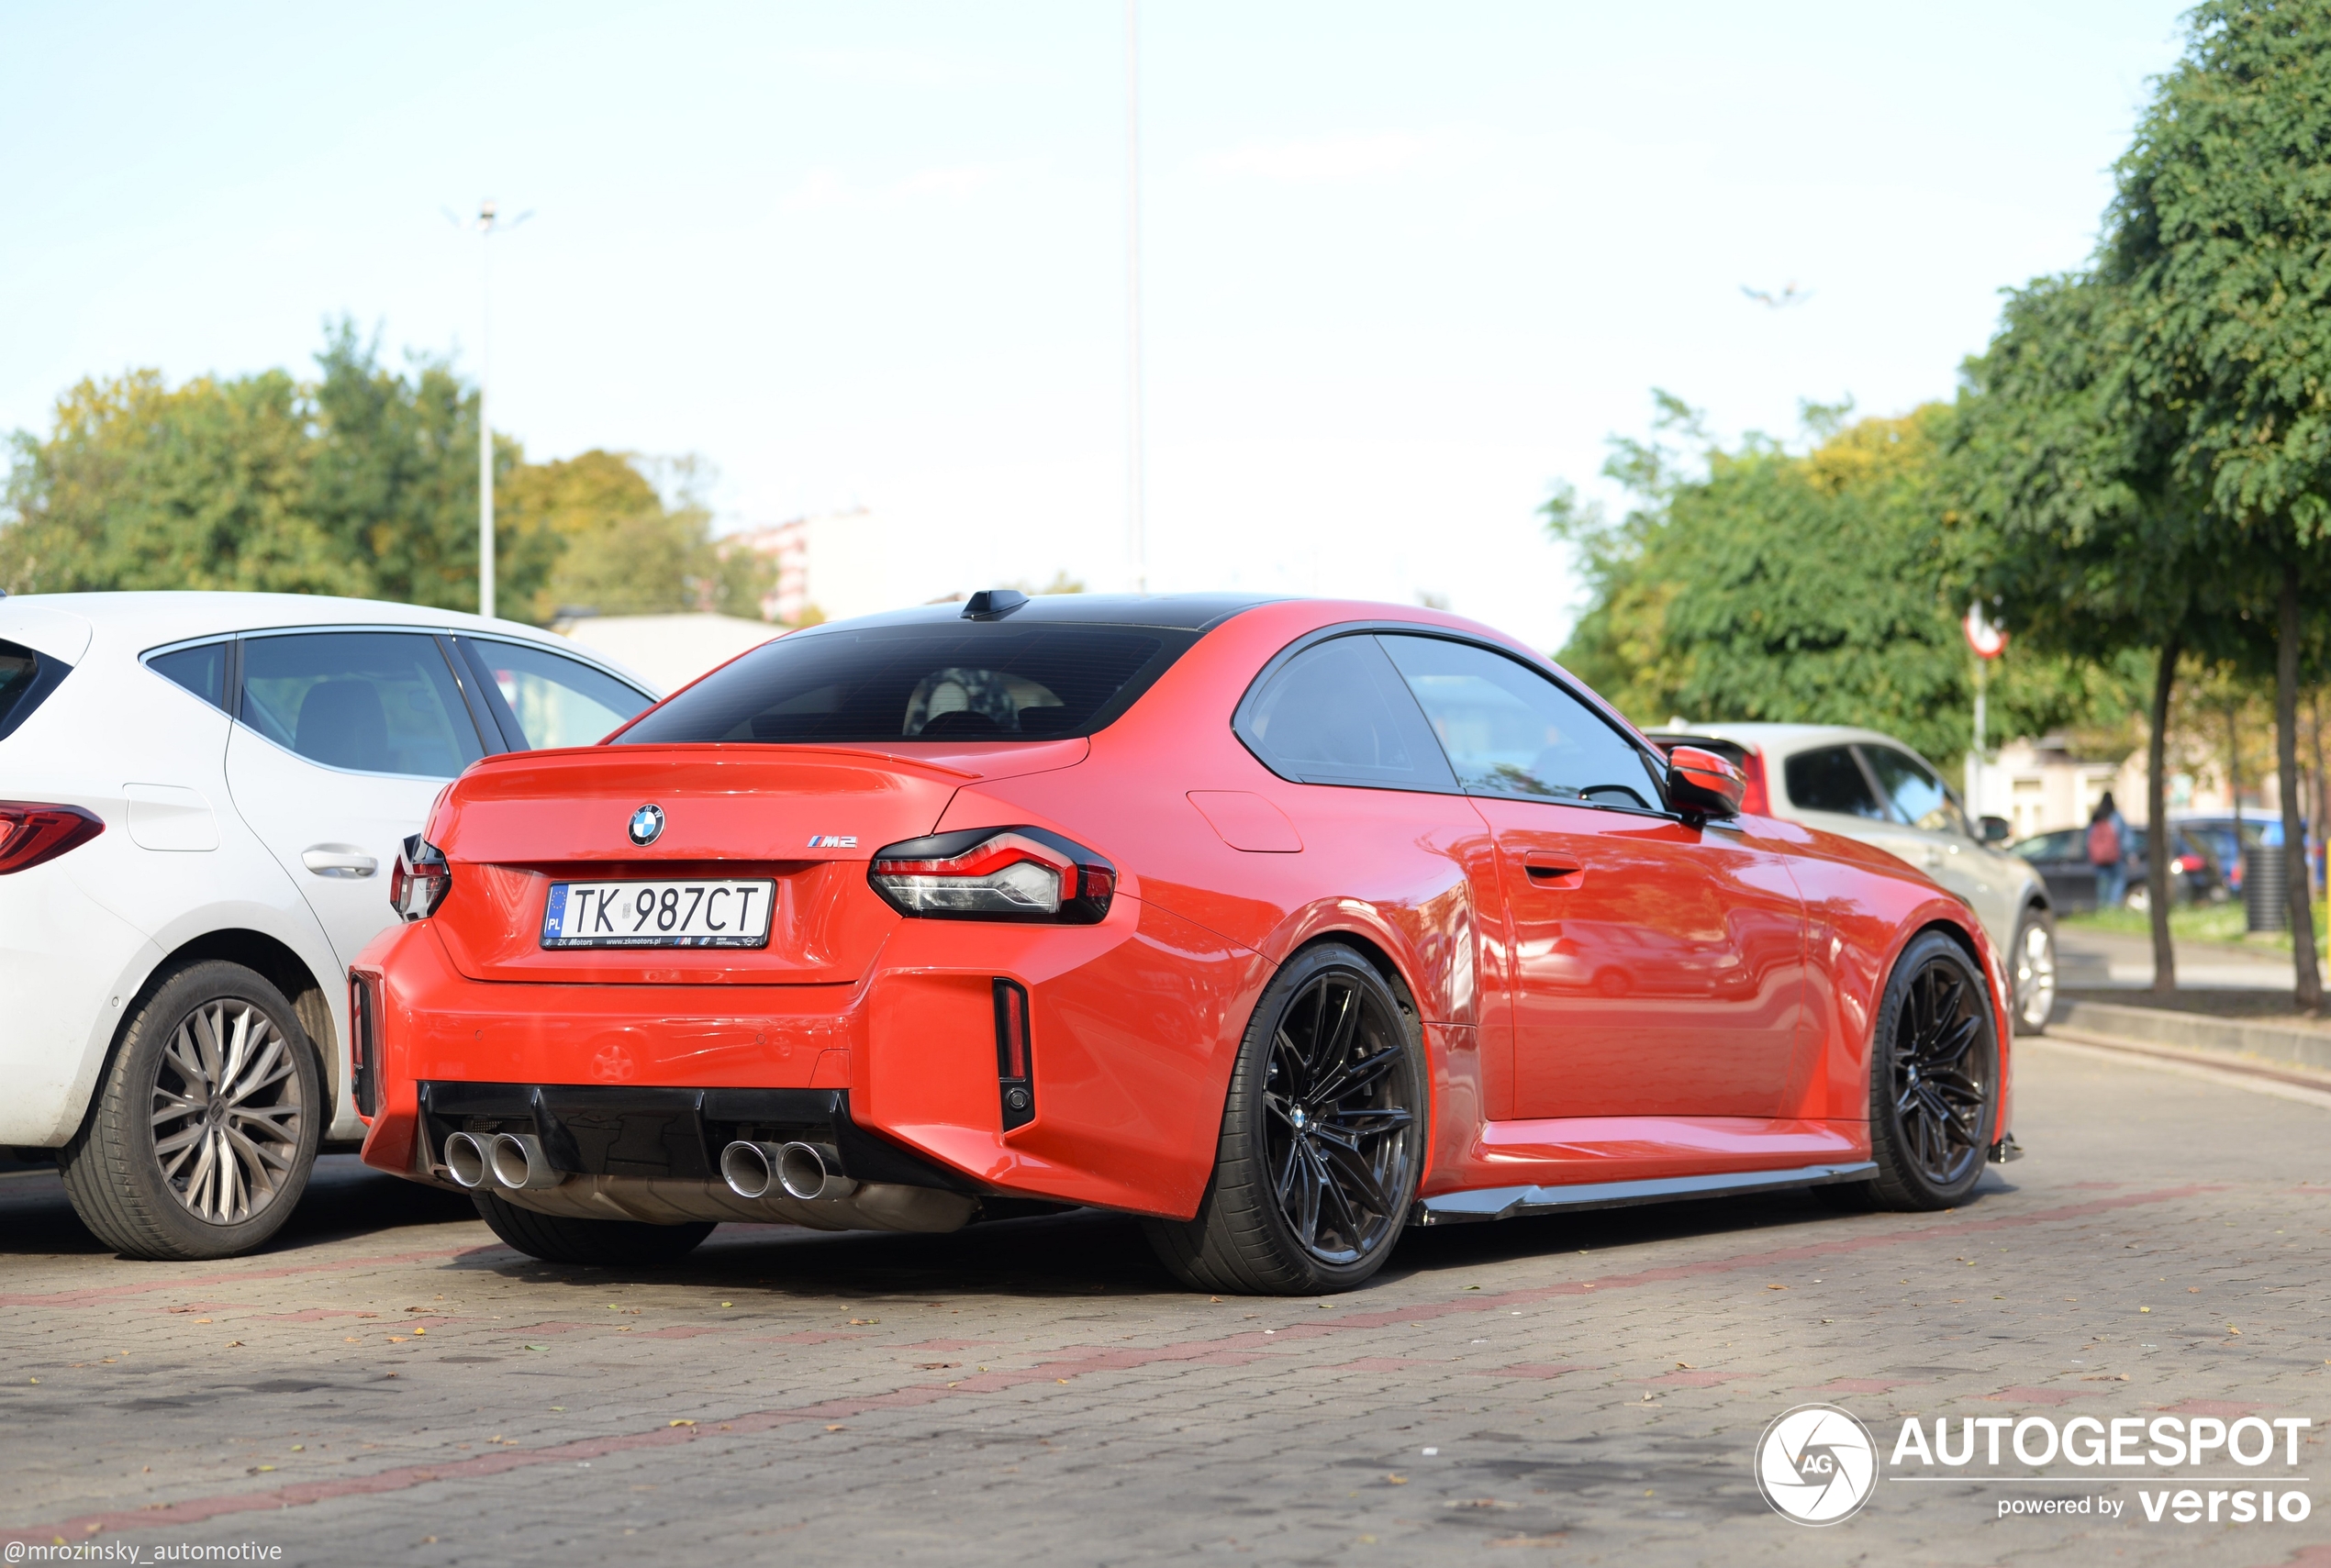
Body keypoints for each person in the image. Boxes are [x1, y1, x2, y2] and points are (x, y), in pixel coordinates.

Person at [2088, 792, 2130, 909]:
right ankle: (2113, 908)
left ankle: (2103, 910)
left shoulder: (2096, 815)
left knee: (2103, 885)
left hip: (2099, 858)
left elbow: (2088, 837)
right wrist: (2130, 853)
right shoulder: (2116, 815)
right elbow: (2125, 836)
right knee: (2117, 883)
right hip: (2115, 857)